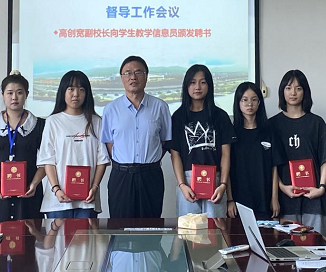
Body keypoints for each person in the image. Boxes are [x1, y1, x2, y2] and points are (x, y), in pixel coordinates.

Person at [101, 56, 172, 218]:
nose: (133, 77)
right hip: (121, 177)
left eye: (138, 72)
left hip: (151, 175)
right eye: (128, 73)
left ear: (146, 76)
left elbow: (164, 141)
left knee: (151, 225)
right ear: (121, 78)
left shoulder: (160, 107)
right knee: (119, 226)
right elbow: (109, 143)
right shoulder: (111, 109)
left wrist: (148, 162)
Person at [0, 71, 46, 229]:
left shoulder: (40, 125)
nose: (14, 97)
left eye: (19, 92)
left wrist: (34, 184)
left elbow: (46, 161)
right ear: (3, 95)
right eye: (10, 93)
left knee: (29, 237)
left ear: (27, 94)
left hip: (28, 192)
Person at [271, 70, 326, 236]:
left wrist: (321, 187)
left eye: (298, 88)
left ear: (305, 92)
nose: (293, 93)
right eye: (288, 88)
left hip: (314, 199)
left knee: (315, 245)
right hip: (285, 198)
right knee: (286, 246)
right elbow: (271, 164)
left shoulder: (317, 123)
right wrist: (282, 187)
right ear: (282, 91)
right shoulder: (272, 124)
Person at [38, 70, 110, 217]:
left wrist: (95, 187)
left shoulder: (97, 122)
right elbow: (48, 160)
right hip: (58, 201)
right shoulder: (53, 121)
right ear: (63, 92)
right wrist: (56, 189)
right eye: (71, 89)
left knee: (85, 233)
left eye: (81, 89)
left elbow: (102, 160)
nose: (76, 94)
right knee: (58, 233)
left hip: (87, 199)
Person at [167, 65, 236, 217]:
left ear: (209, 85)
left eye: (202, 82)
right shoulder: (178, 117)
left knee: (216, 228)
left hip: (216, 181)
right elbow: (175, 155)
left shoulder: (220, 116)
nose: (197, 87)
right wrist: (182, 185)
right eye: (192, 82)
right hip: (188, 181)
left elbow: (226, 154)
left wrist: (223, 184)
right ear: (186, 86)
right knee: (188, 228)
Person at [227, 81, 284, 220]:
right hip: (238, 201)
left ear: (259, 103)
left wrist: (274, 198)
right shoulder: (231, 133)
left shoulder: (269, 131)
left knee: (266, 234)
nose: (249, 104)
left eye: (254, 100)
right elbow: (226, 169)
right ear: (238, 103)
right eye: (244, 100)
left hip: (265, 200)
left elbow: (274, 167)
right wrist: (229, 200)